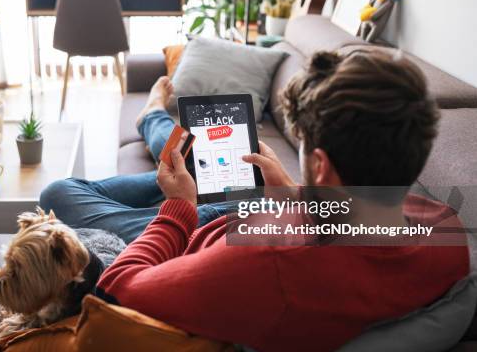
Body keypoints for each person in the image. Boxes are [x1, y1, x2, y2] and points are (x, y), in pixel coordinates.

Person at [40, 51, 469, 351]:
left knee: (59, 193)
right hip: (269, 214)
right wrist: (294, 198)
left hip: (200, 234)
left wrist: (179, 211)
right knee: (201, 162)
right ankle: (166, 141)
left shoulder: (269, 265)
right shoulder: (443, 227)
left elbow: (117, 292)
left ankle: (158, 128)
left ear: (320, 165)